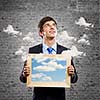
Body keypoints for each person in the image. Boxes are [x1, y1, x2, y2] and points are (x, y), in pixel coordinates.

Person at [20, 16, 78, 100]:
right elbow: (22, 79)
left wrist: (72, 74)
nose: (52, 27)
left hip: (59, 97)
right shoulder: (33, 50)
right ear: (41, 32)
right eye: (47, 25)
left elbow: (74, 79)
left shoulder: (65, 51)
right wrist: (25, 74)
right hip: (39, 98)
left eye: (54, 25)